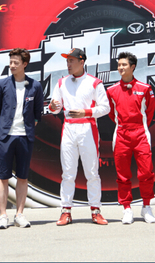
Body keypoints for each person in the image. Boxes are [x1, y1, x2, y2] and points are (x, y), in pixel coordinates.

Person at [48, 48, 110, 225]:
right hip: (68, 127)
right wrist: (53, 106)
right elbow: (55, 108)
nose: (68, 64)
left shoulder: (94, 82)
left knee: (92, 172)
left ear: (82, 62)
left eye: (71, 60)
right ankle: (65, 211)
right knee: (68, 172)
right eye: (67, 61)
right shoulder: (61, 82)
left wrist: (86, 112)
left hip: (88, 127)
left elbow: (105, 107)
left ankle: (96, 210)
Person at [0, 48, 43, 229]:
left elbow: (38, 113)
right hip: (6, 137)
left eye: (16, 62)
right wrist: (5, 126)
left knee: (23, 176)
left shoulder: (35, 86)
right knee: (3, 176)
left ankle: (19, 214)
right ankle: (2, 215)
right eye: (10, 62)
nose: (12, 65)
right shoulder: (2, 84)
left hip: (25, 137)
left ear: (24, 64)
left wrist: (27, 128)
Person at [106, 52, 155, 224]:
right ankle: (126, 208)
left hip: (141, 133)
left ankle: (146, 206)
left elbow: (150, 111)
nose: (120, 67)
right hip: (121, 134)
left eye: (124, 65)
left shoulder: (145, 88)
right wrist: (124, 126)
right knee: (123, 174)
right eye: (119, 65)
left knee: (146, 172)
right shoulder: (111, 90)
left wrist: (139, 126)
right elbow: (112, 114)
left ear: (133, 67)